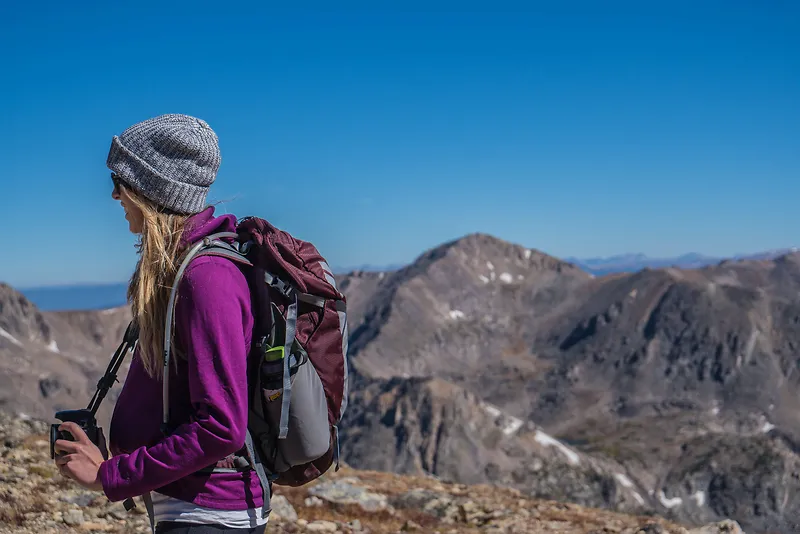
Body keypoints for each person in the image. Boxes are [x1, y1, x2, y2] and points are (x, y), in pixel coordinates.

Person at [53, 114, 268, 533]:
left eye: (121, 183)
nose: (115, 196)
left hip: (208, 514)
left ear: (151, 192)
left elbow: (221, 427)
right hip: (191, 508)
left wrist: (109, 476)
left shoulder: (206, 278)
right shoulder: (183, 272)